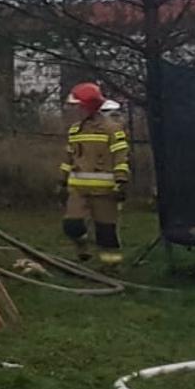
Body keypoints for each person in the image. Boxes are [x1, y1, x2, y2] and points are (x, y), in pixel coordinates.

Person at [60, 81, 131, 264]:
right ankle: (82, 247)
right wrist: (61, 180)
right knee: (72, 226)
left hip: (105, 192)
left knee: (106, 233)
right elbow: (70, 157)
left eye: (76, 106)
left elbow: (120, 156)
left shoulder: (112, 130)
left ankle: (111, 267)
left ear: (87, 106)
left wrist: (121, 181)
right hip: (78, 190)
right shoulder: (75, 130)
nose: (73, 110)